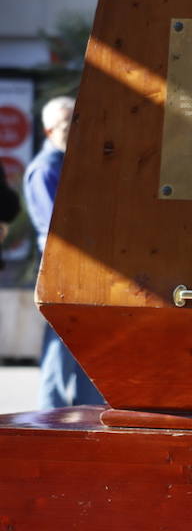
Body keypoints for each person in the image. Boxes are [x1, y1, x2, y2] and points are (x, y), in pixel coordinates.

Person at [23, 95, 103, 411]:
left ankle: (88, 413)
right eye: (69, 123)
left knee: (88, 349)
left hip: (85, 272)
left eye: (78, 121)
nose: (75, 129)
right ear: (49, 130)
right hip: (62, 272)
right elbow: (58, 229)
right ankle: (51, 418)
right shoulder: (45, 170)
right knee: (60, 350)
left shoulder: (76, 165)